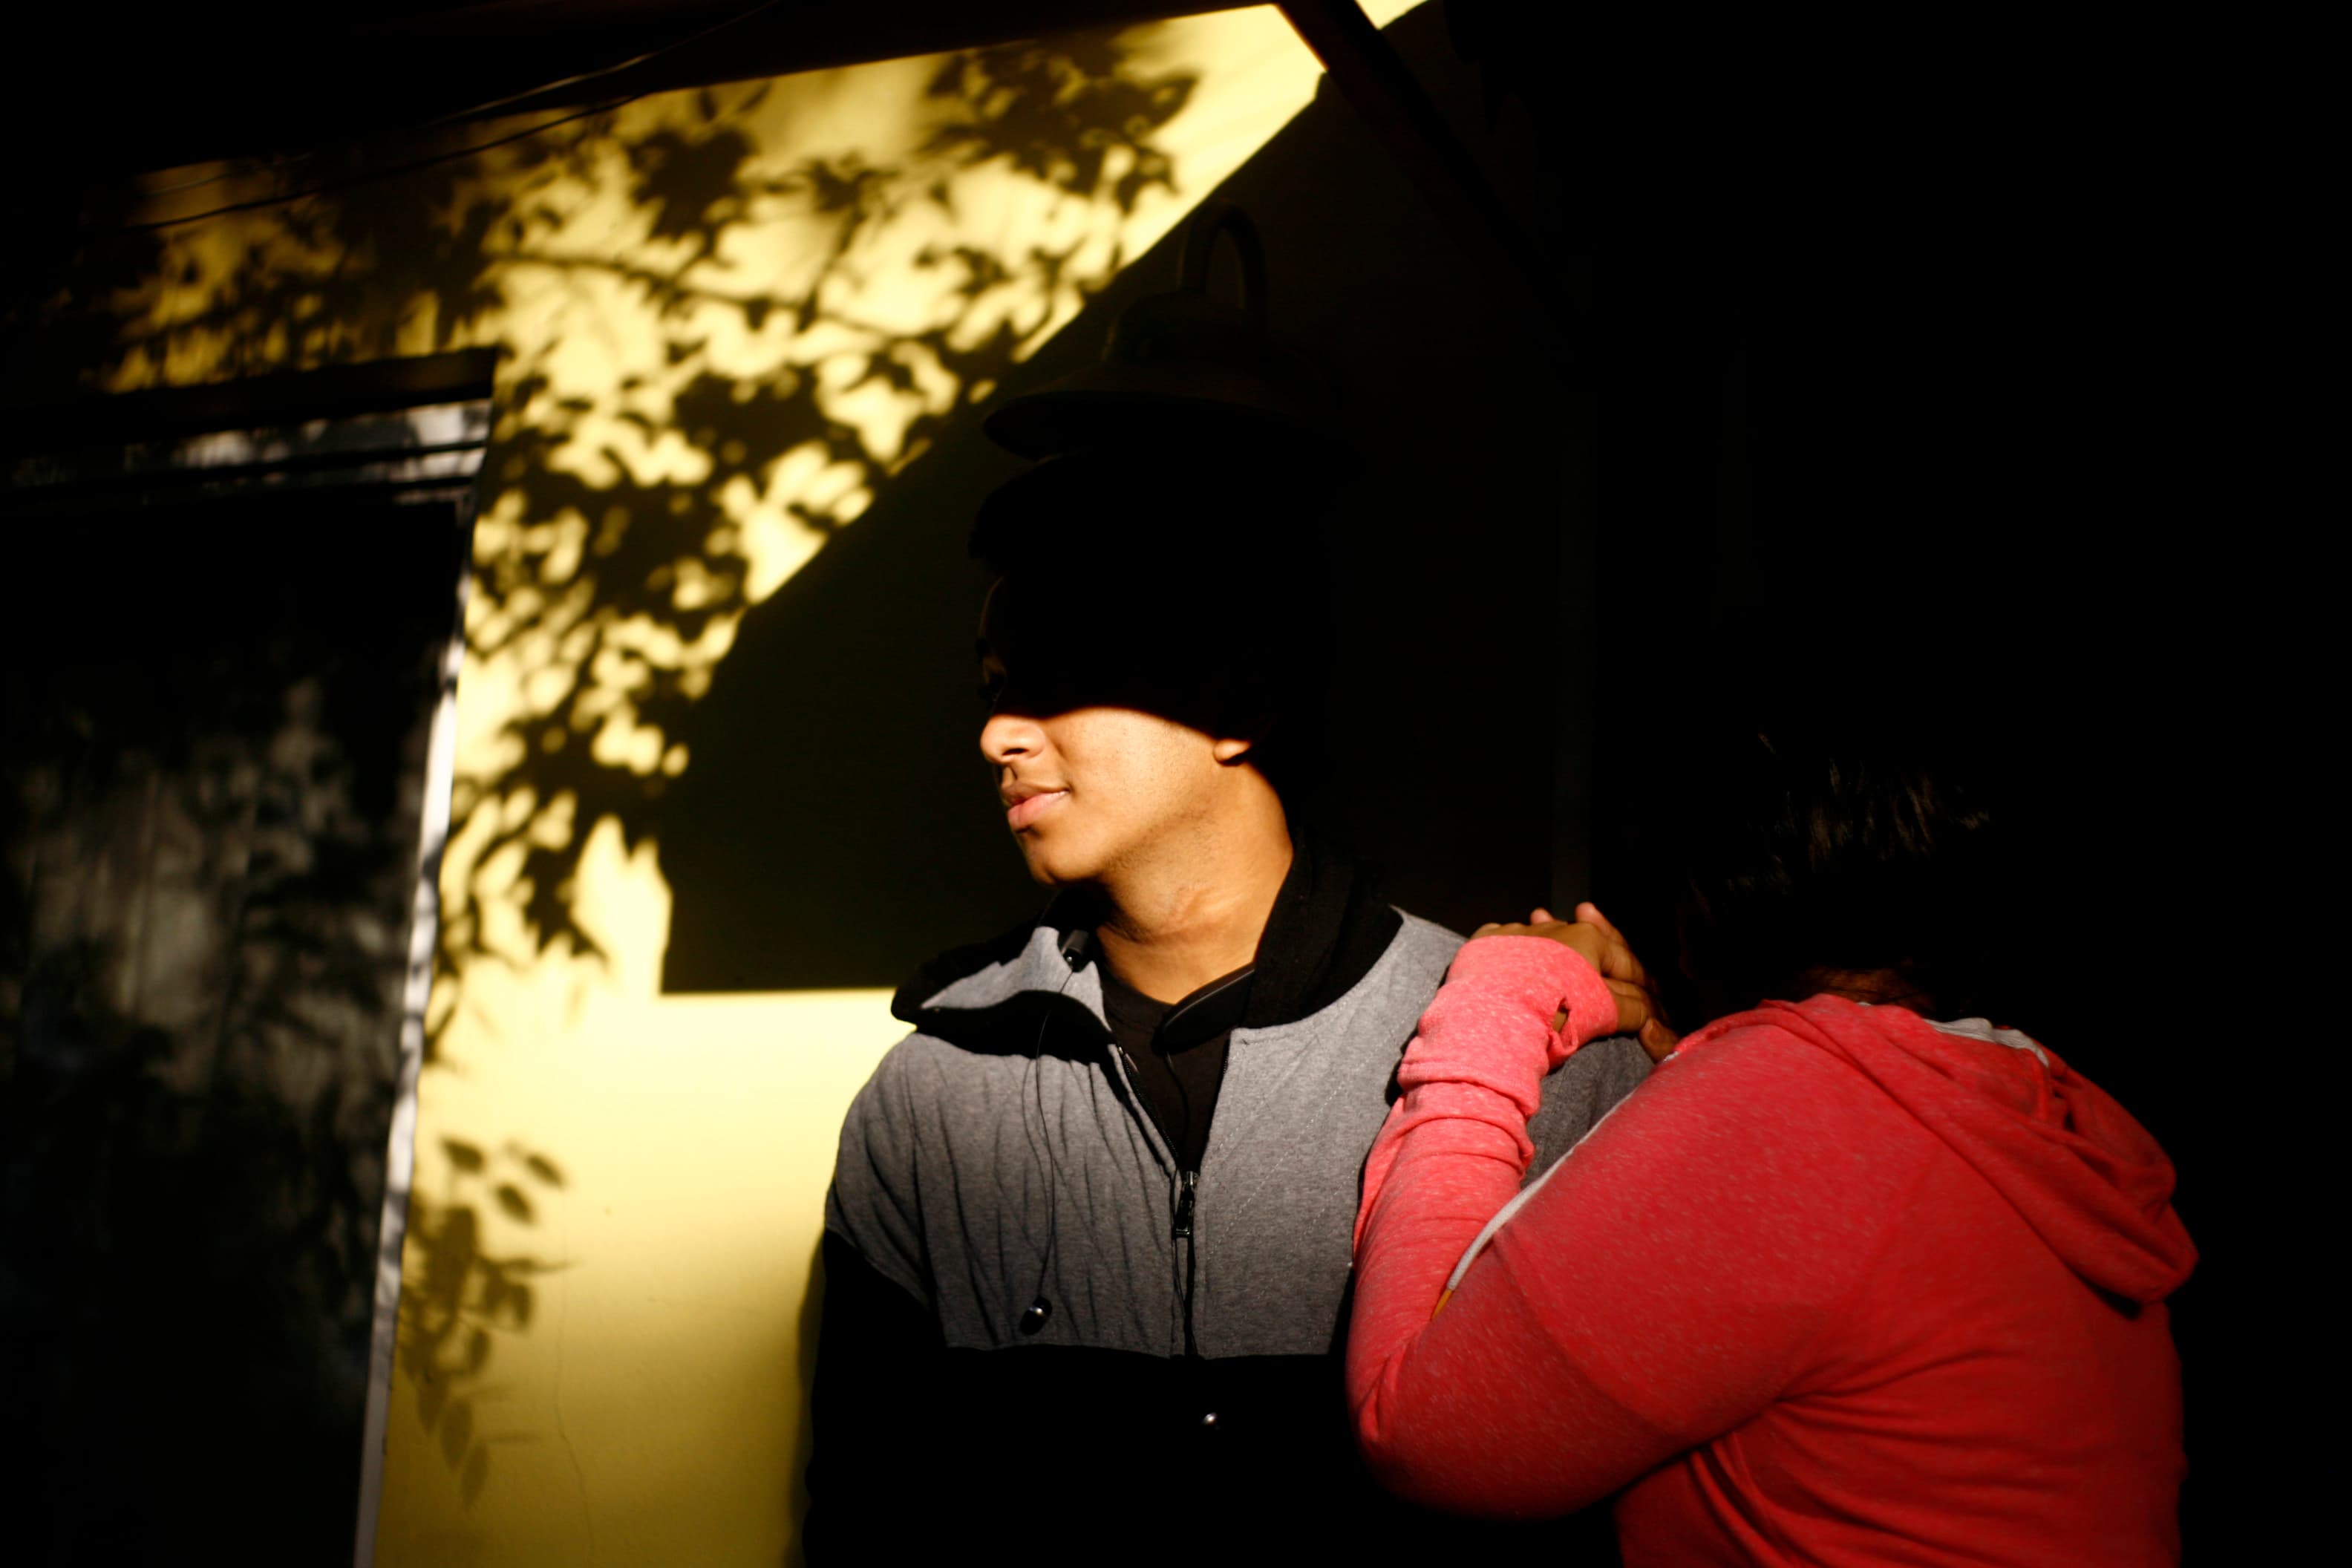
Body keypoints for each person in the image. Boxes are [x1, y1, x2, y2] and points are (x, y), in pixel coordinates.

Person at [801, 444, 1653, 1559]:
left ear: (1238, 706)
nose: (997, 735)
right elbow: (866, 1510)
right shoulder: (932, 1099)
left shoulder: (1537, 1058)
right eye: (996, 688)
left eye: (1057, 678)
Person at [1348, 728, 2195, 1564]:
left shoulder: (1791, 1101)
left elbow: (1421, 1433)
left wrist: (1500, 998)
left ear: (1696, 920)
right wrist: (1695, 1063)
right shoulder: (2022, 1094)